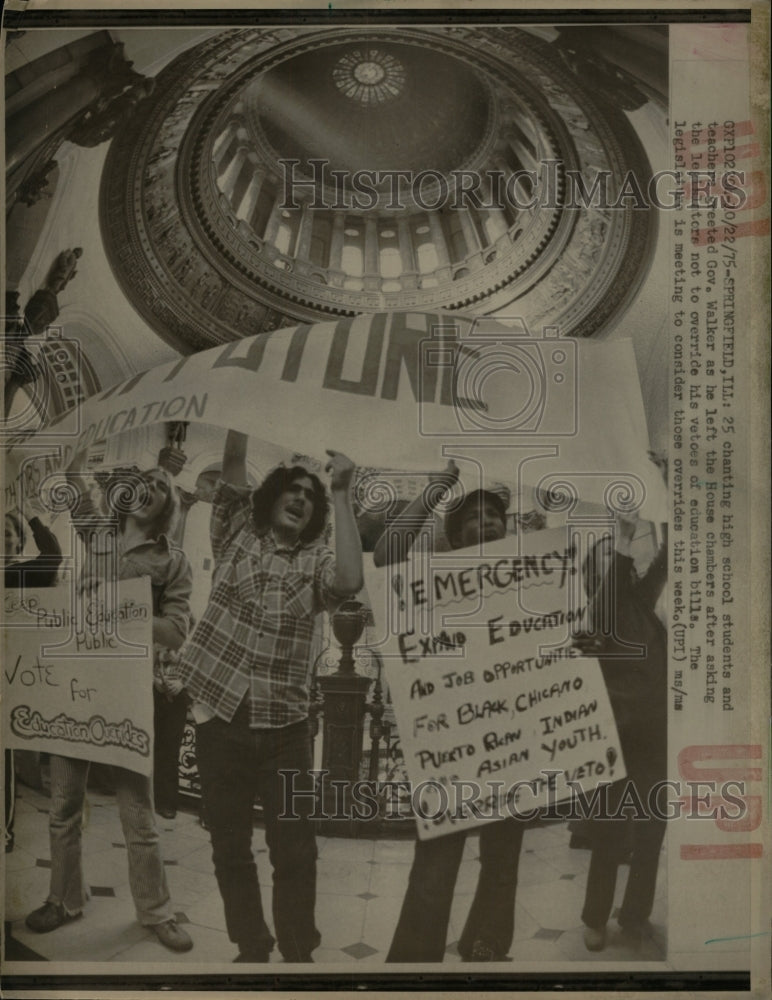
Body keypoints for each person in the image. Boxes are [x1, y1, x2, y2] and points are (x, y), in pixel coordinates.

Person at [177, 432, 363, 963]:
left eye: (311, 494)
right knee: (230, 848)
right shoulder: (238, 531)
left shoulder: (319, 561)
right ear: (273, 496)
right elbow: (234, 460)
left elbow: (349, 580)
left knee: (296, 852)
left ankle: (298, 953)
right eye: (293, 489)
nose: (302, 497)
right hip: (220, 721)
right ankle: (252, 947)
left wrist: (344, 491)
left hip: (286, 731)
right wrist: (243, 408)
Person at [25, 461, 194, 953]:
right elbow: (79, 494)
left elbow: (177, 631)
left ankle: (157, 913)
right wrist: (75, 462)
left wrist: (120, 603)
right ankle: (64, 899)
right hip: (76, 684)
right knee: (63, 806)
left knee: (137, 814)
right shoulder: (99, 535)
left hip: (127, 694)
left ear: (168, 506)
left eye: (162, 487)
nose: (151, 490)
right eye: (146, 482)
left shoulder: (173, 562)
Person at [375, 461, 526, 963]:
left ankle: (486, 944)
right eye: (473, 517)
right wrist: (437, 488)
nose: (485, 521)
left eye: (493, 514)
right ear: (456, 535)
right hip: (450, 746)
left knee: (503, 858)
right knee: (436, 862)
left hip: (513, 740)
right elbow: (386, 555)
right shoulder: (431, 582)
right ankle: (415, 962)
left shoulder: (533, 583)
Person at [572, 454, 668, 951]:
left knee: (652, 829)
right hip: (618, 737)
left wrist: (667, 490)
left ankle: (634, 914)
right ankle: (595, 917)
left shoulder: (640, 605)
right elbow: (617, 578)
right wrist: (624, 535)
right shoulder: (600, 614)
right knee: (610, 834)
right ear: (596, 576)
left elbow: (666, 562)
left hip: (651, 736)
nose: (617, 565)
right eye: (605, 563)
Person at [4, 497, 63, 853]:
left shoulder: (21, 572)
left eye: (9, 532)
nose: (3, 538)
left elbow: (54, 555)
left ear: (19, 538)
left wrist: (29, 514)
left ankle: (4, 832)